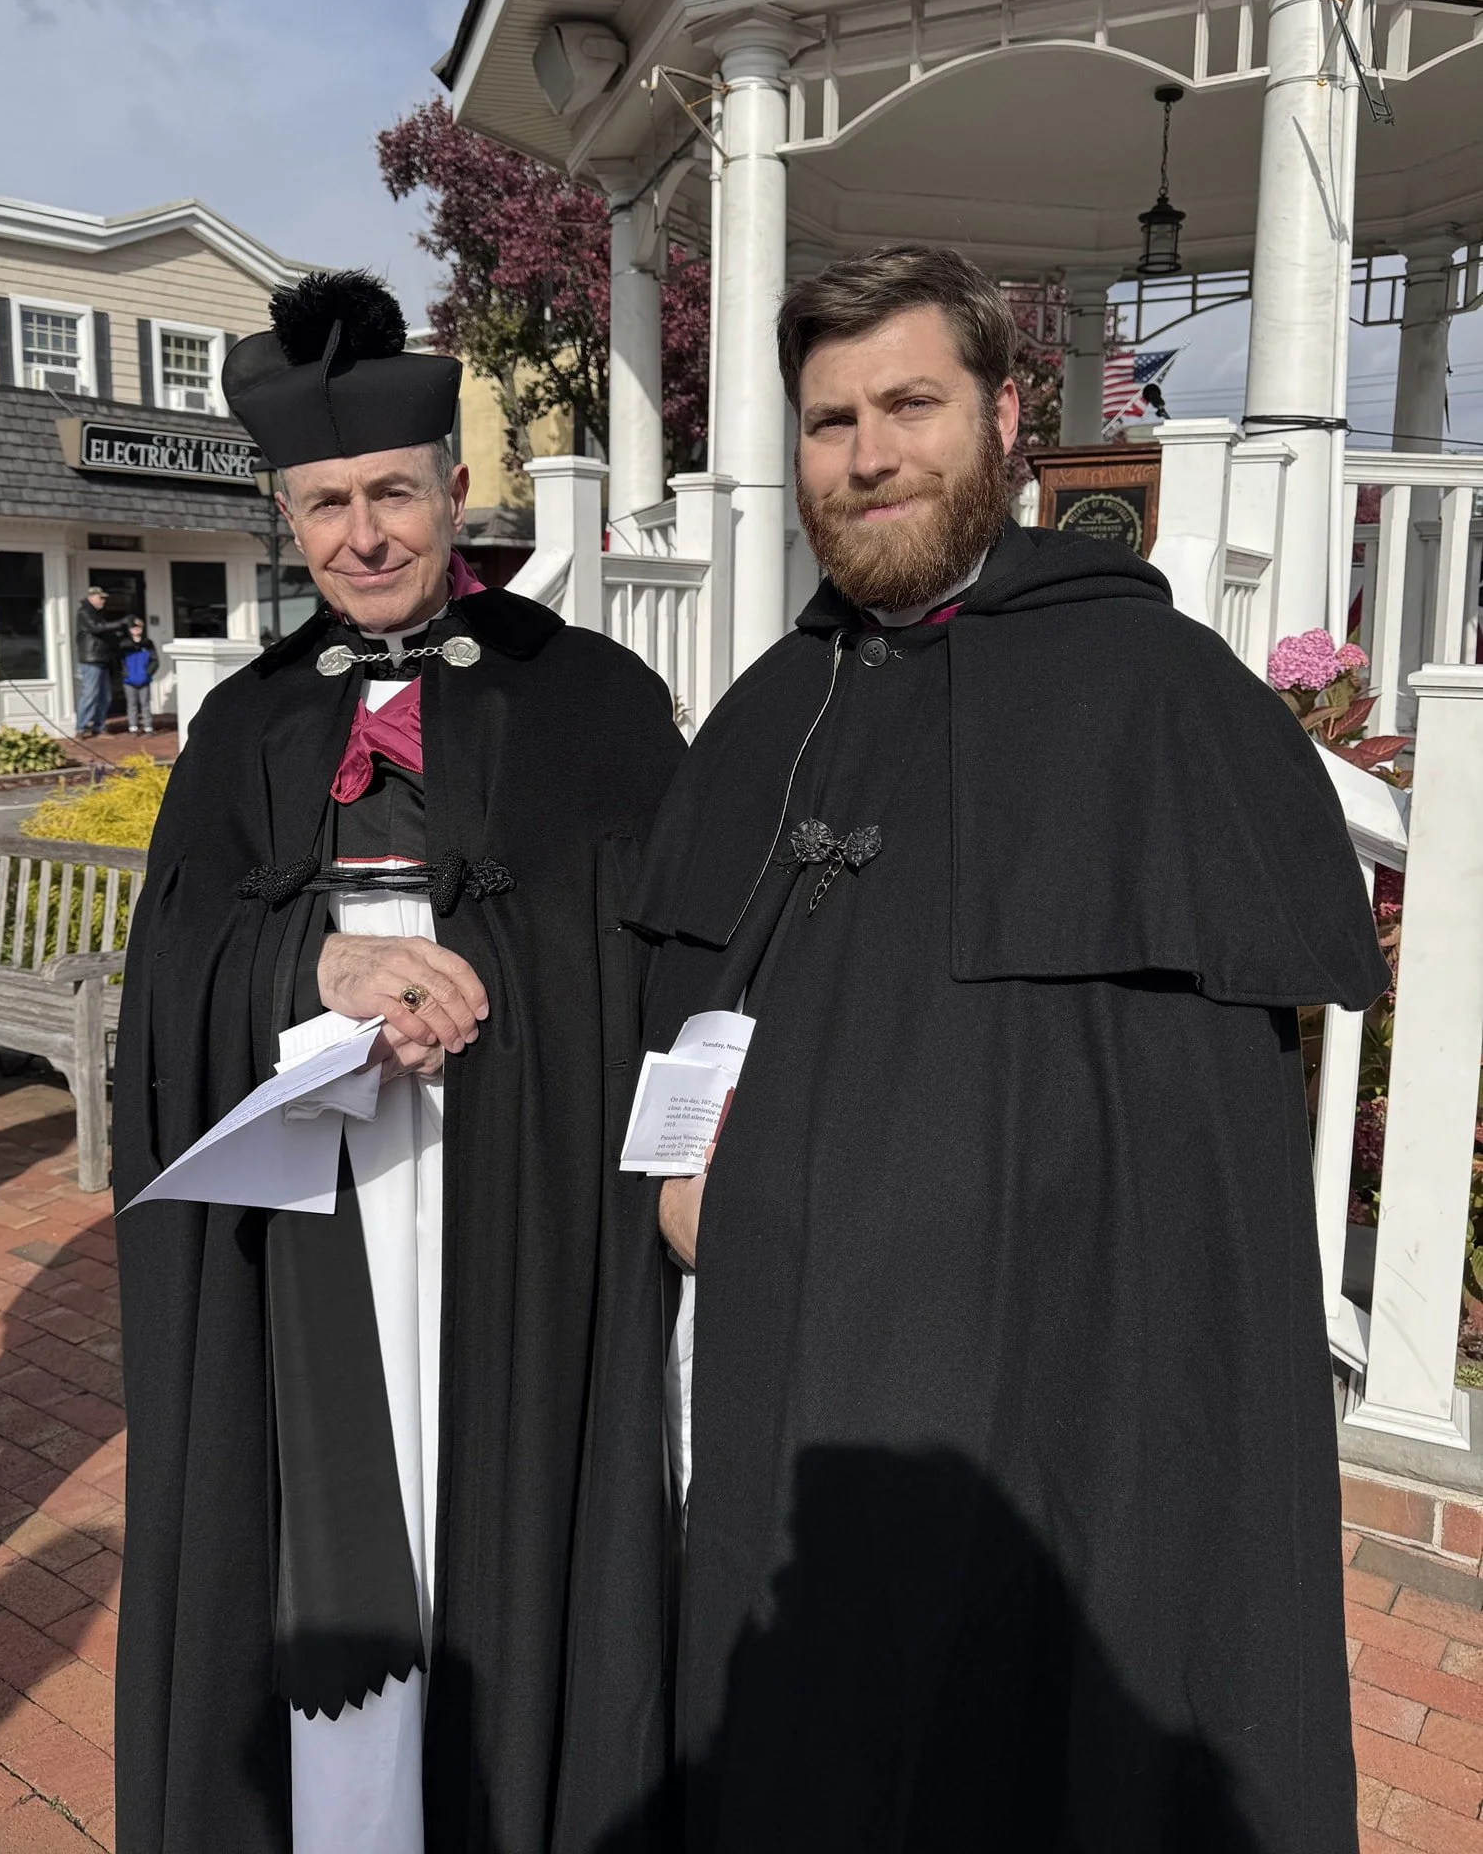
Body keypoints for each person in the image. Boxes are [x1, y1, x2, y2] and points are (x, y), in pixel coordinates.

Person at [593, 244, 1388, 1850]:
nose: (867, 453)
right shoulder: (773, 703)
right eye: (829, 420)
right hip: (766, 1379)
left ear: (1007, 416)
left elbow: (1186, 1169)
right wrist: (686, 1180)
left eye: (907, 404)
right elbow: (679, 1011)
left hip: (1034, 1409)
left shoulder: (1155, 695)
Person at [111, 270, 685, 1854]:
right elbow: (168, 983)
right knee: (324, 1516)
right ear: (286, 518)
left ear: (451, 491)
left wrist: (508, 987)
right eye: (323, 506)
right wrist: (318, 960)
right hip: (315, 1218)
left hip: (523, 1193)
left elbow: (674, 957)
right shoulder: (241, 726)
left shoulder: (597, 700)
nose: (361, 537)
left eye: (390, 495)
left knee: (509, 1507)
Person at [75, 584, 125, 734]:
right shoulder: (85, 612)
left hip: (102, 658)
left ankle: (99, 726)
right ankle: (81, 727)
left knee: (106, 696)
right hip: (91, 659)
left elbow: (103, 629)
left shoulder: (97, 613)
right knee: (90, 694)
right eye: (100, 597)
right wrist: (120, 623)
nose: (103, 601)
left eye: (104, 598)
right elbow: (96, 628)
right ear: (91, 597)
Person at [120, 618, 158, 734]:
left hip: (144, 679)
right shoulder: (124, 644)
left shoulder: (148, 643)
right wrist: (124, 673)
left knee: (145, 704)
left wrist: (147, 673)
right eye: (133, 627)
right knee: (132, 704)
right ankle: (133, 727)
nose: (136, 630)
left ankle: (148, 727)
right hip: (129, 680)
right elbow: (119, 661)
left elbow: (155, 661)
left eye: (139, 627)